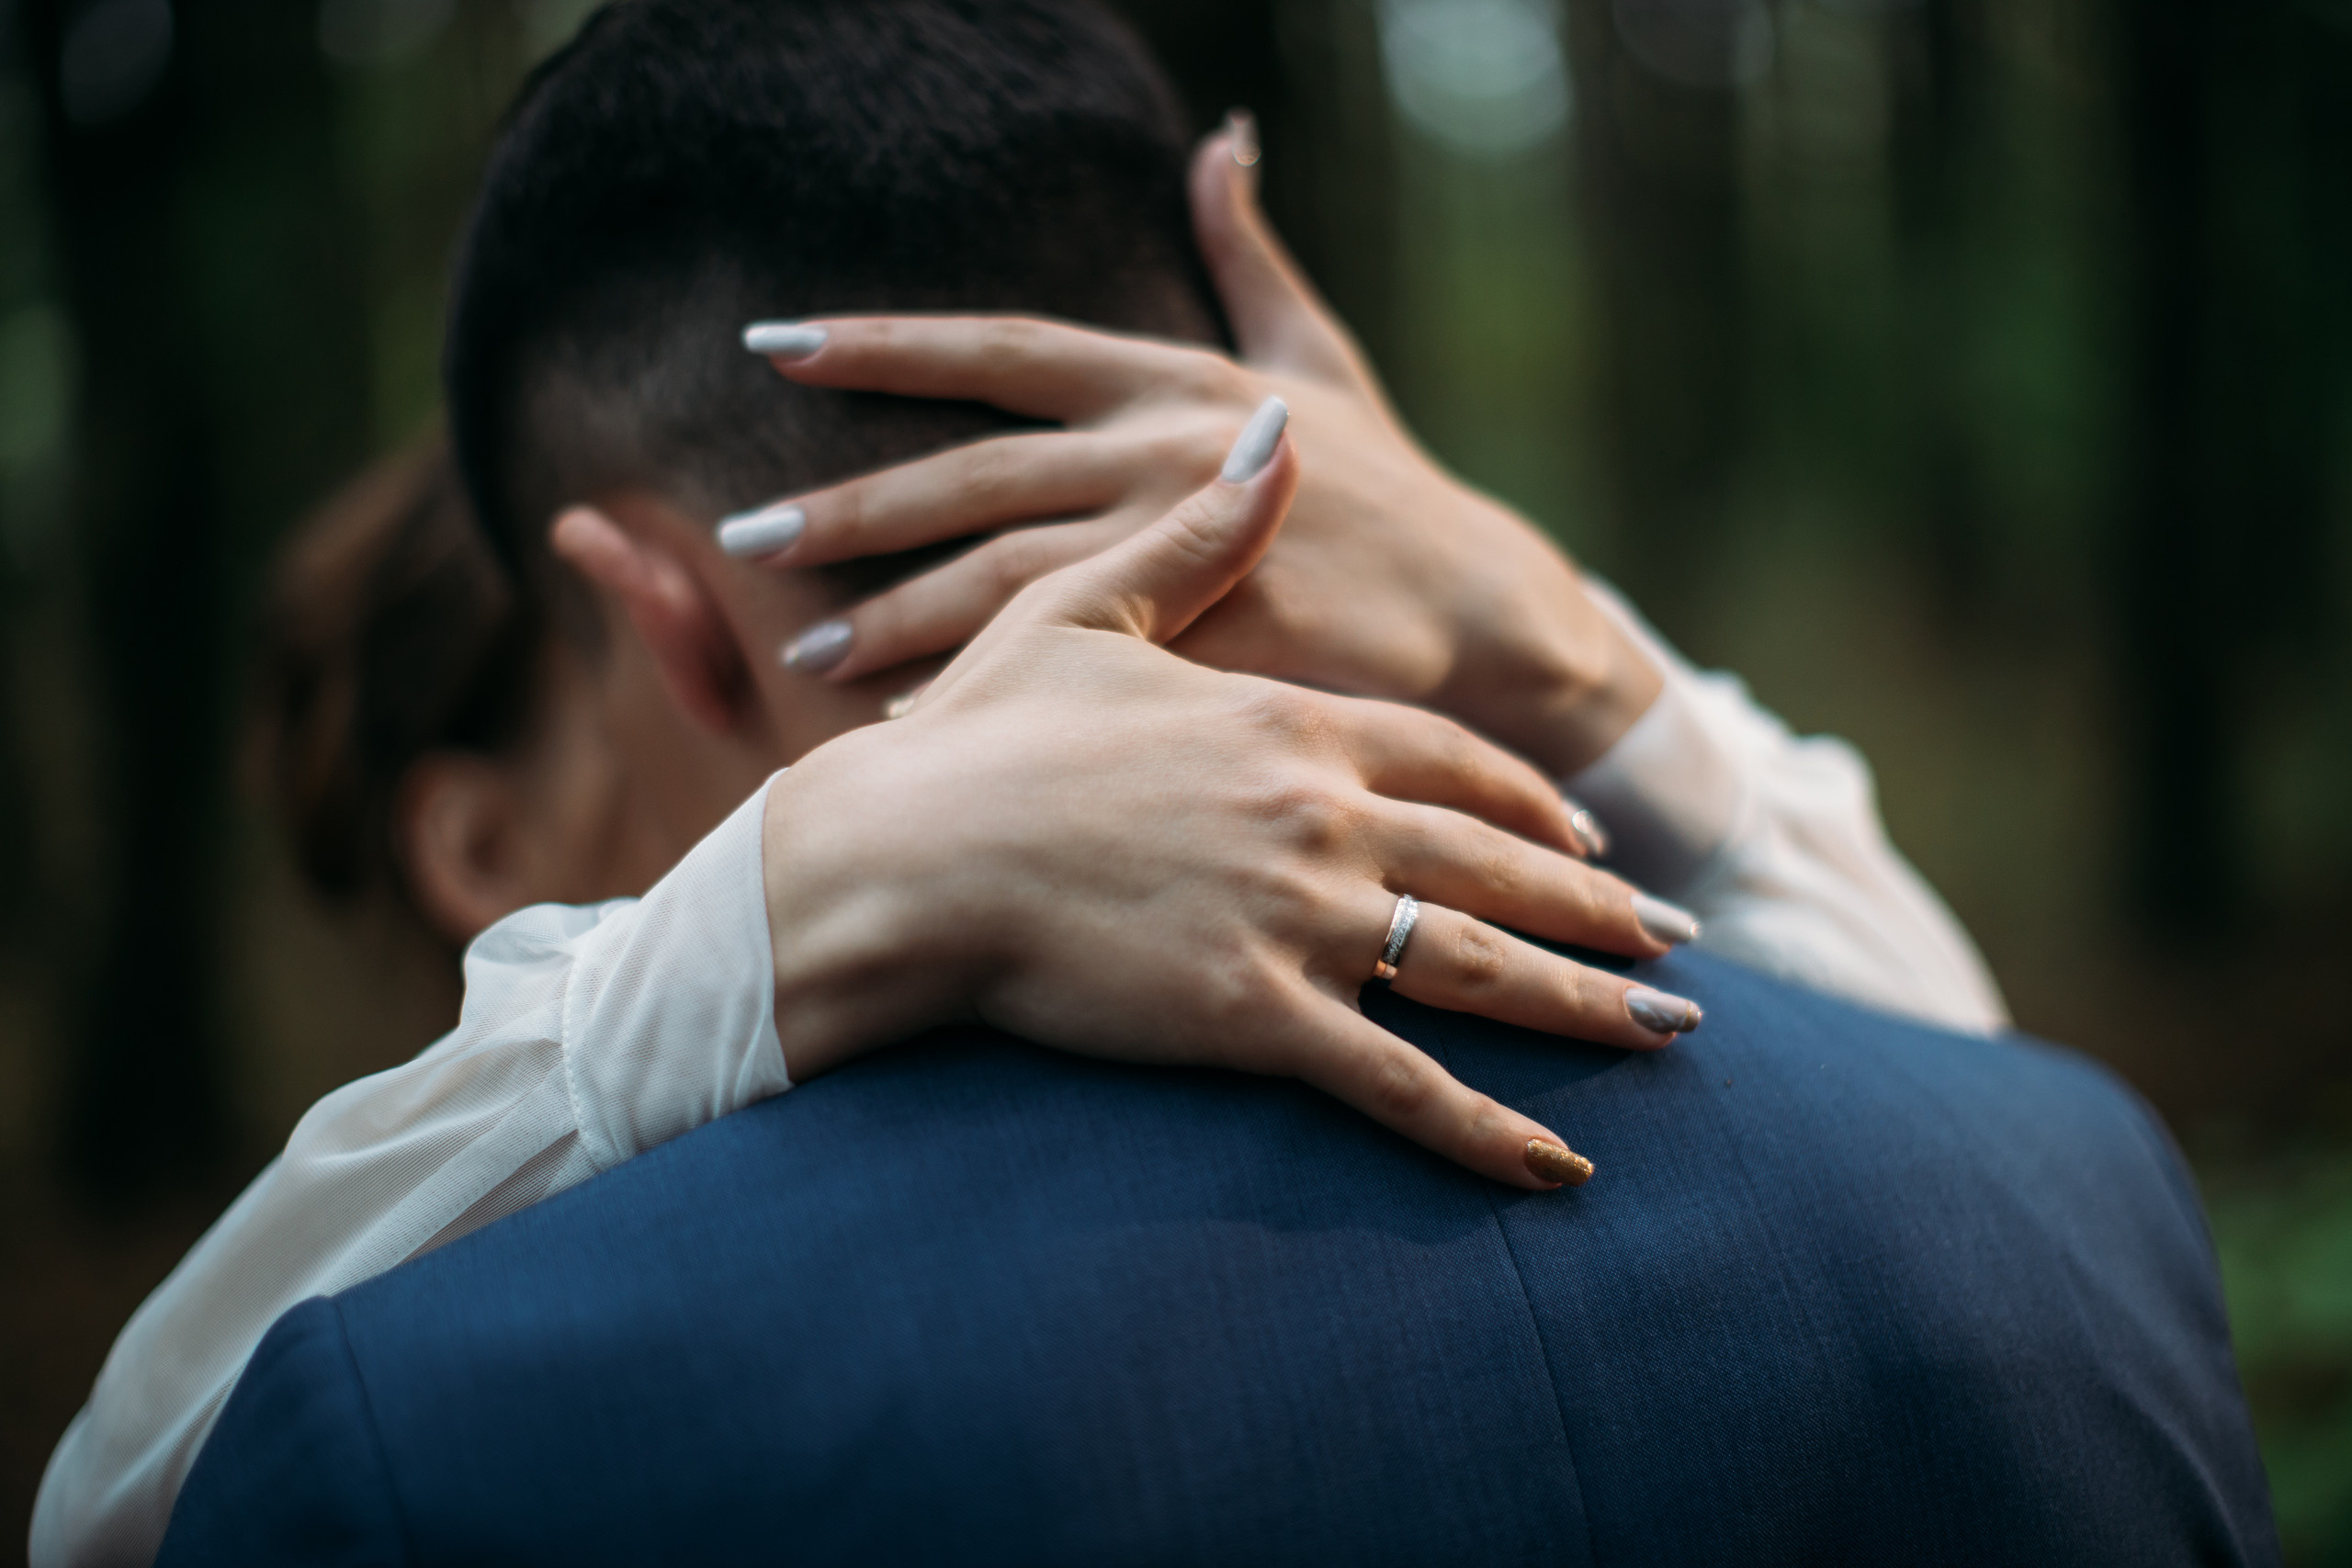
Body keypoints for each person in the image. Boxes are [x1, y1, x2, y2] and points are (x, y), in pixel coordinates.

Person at [39, 0, 2028, 1562]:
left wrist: (764, 915)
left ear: (652, 612)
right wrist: (1570, 639)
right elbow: (1966, 1092)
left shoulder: (442, 1430)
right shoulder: (2044, 1194)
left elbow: (108, 1505)